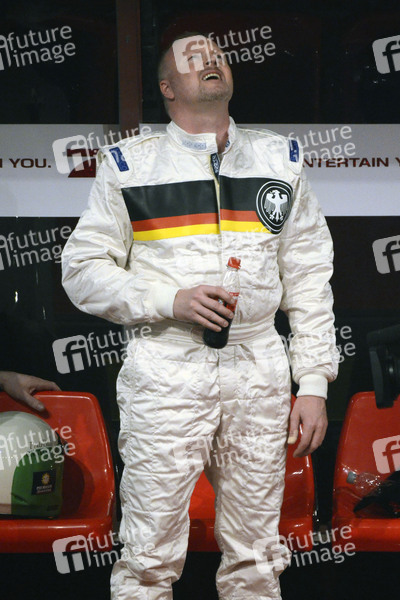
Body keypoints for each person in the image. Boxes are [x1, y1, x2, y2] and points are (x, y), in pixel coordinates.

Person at [62, 33, 339, 600]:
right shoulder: (130, 165)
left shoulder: (280, 159)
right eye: (193, 58)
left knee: (258, 555)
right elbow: (82, 270)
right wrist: (169, 299)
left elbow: (310, 276)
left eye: (217, 54)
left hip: (258, 365)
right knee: (147, 555)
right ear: (167, 87)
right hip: (166, 367)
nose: (210, 59)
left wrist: (312, 384)